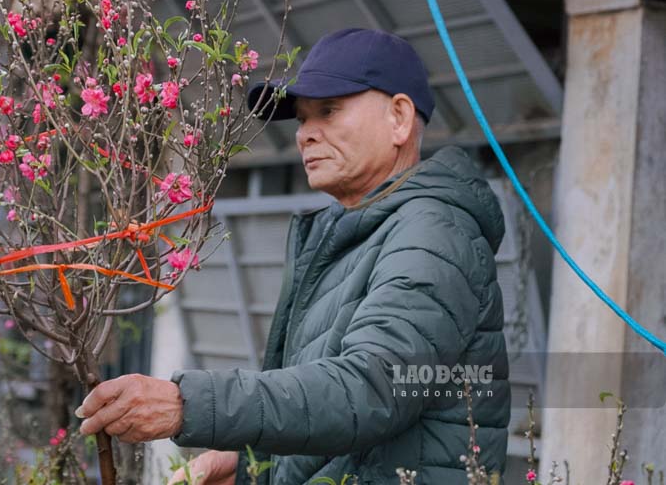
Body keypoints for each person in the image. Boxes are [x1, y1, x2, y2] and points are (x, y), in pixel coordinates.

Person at [75, 28, 511, 484]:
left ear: (399, 118)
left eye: (328, 110)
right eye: (302, 119)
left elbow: (371, 389)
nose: (305, 134)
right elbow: (333, 414)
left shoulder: (432, 232)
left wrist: (187, 404)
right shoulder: (354, 230)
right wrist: (252, 468)